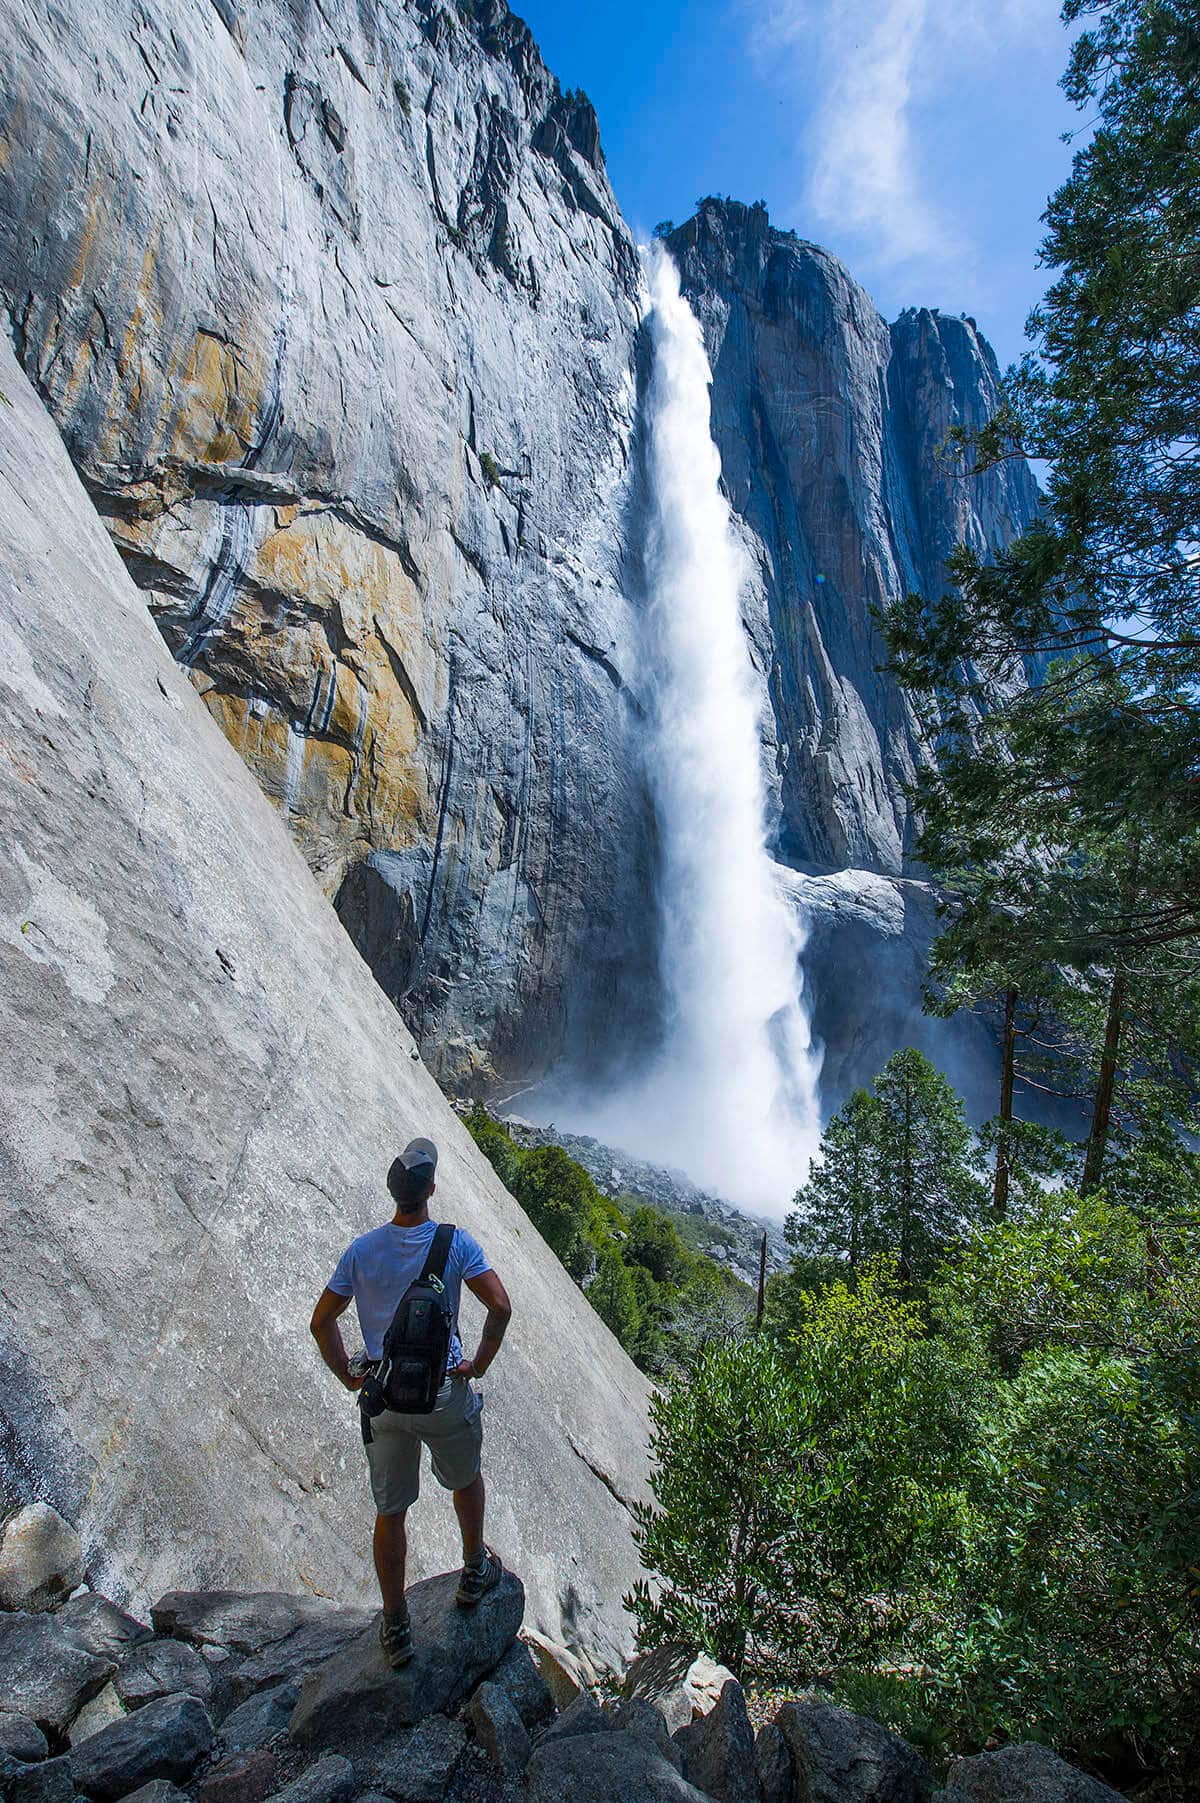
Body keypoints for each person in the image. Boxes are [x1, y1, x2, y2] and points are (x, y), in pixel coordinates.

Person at [310, 1135, 513, 1669]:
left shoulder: (361, 1252)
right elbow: (500, 1306)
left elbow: (321, 1321)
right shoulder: (455, 1243)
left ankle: (396, 1624)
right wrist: (479, 1364)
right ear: (429, 1191)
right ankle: (473, 1570)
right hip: (443, 1392)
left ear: (394, 1192)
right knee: (465, 1479)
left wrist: (349, 1378)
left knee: (391, 1511)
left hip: (385, 1398)